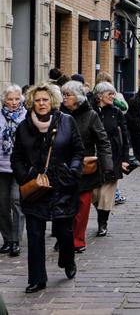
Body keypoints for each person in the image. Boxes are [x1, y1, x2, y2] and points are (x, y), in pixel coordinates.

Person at [11, 83, 84, 293]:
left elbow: (78, 151)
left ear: (52, 101)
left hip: (62, 185)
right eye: (37, 100)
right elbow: (17, 157)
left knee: (64, 231)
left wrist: (72, 171)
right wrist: (25, 177)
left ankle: (68, 260)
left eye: (45, 100)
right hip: (35, 187)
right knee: (35, 234)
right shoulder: (24, 127)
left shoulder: (67, 122)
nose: (41, 104)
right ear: (31, 103)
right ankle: (37, 278)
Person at [60, 81, 113, 253]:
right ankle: (65, 237)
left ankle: (77, 240)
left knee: (82, 208)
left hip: (85, 169)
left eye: (68, 95)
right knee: (65, 207)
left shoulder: (91, 116)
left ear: (78, 98)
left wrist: (107, 166)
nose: (64, 98)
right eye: (63, 95)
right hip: (63, 168)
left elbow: (103, 142)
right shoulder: (59, 114)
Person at [93, 82, 130, 233]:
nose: (112, 97)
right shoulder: (92, 111)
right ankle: (100, 212)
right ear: (100, 95)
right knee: (95, 193)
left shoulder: (116, 112)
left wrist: (125, 159)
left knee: (106, 194)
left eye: (113, 94)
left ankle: (103, 223)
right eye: (110, 94)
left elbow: (125, 137)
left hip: (113, 156)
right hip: (94, 156)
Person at [1, 84, 25, 258]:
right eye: (10, 99)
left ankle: (16, 241)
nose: (14, 102)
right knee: (2, 204)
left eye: (17, 99)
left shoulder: (27, 116)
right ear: (4, 100)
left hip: (20, 166)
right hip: (1, 166)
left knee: (17, 201)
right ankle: (7, 239)